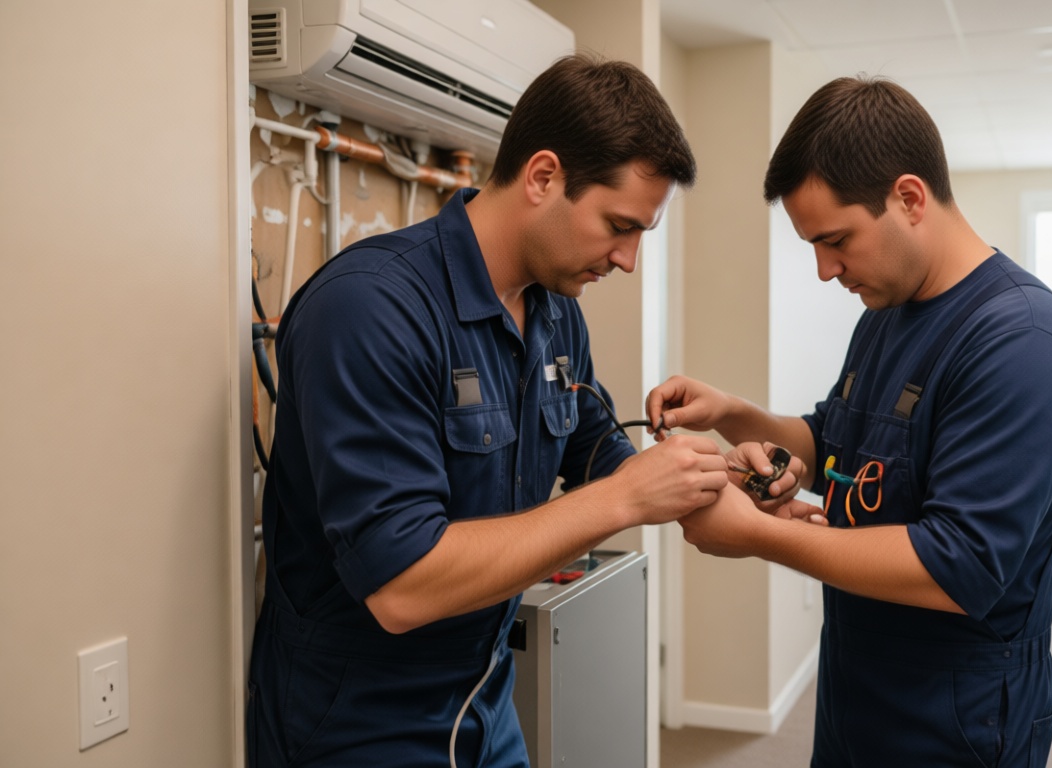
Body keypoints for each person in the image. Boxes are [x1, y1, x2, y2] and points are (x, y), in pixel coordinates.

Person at [248, 55, 729, 768]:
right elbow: (401, 586)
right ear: (542, 178)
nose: (627, 259)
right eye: (619, 225)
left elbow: (596, 452)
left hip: (484, 704)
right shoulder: (370, 309)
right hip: (355, 727)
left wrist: (713, 475)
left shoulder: (556, 312)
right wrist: (627, 499)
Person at [645, 76, 1052, 768]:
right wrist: (734, 413)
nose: (826, 270)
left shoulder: (1023, 343)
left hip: (957, 713)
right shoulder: (885, 315)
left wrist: (759, 536)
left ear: (909, 199)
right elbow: (834, 443)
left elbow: (960, 566)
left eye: (836, 240)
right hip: (859, 682)